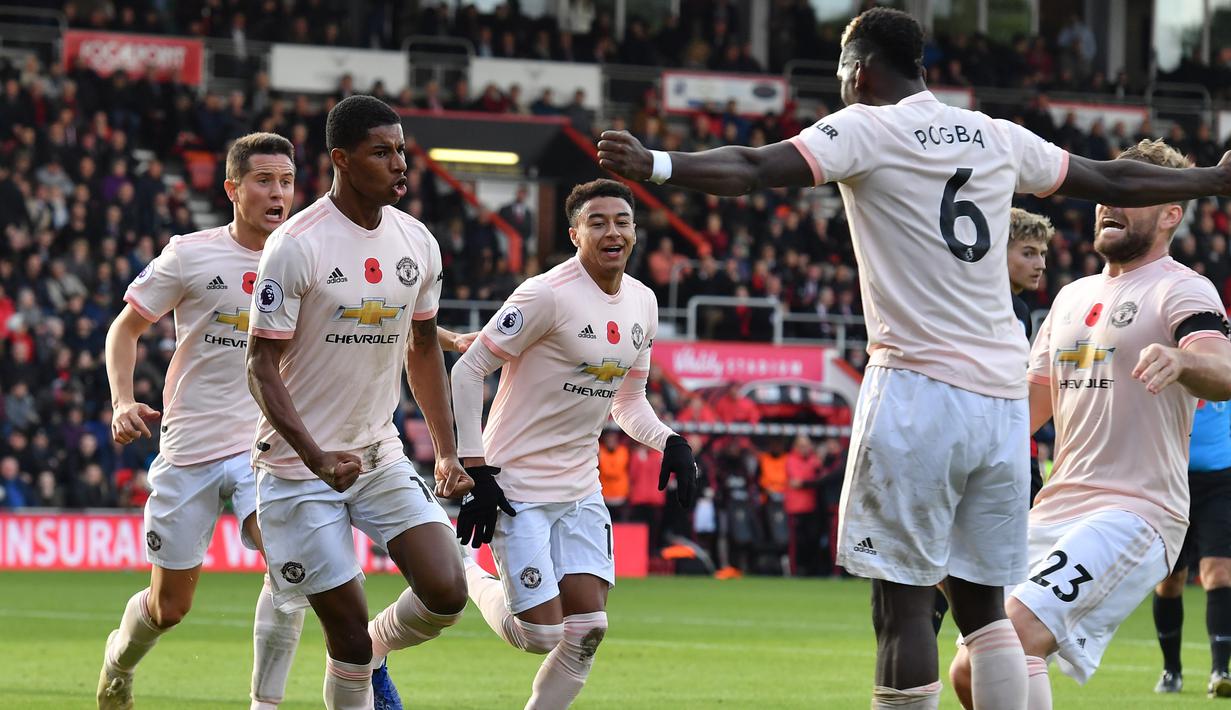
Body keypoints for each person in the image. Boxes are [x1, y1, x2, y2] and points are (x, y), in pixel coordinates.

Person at [597, 8, 1231, 708]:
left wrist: (656, 165)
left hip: (917, 389)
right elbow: (1109, 179)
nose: (840, 85)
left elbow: (752, 167)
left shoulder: (866, 127)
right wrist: (1210, 179)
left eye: (842, 73)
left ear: (860, 69)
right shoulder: (996, 135)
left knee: (901, 609)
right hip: (996, 404)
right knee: (987, 618)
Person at [949, 139, 1231, 709]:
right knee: (970, 667)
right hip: (1055, 507)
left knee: (1015, 635)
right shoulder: (1072, 296)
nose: (1108, 204)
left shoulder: (1182, 287)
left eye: (1128, 195)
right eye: (1106, 192)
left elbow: (1224, 368)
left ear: (1170, 212)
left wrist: (1183, 360)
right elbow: (1027, 409)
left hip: (1135, 510)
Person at [245, 95, 470, 710]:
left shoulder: (418, 242)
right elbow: (260, 366)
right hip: (298, 470)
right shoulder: (296, 245)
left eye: (401, 150)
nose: (400, 163)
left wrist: (447, 451)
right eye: (382, 152)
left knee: (448, 589)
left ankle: (375, 651)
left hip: (379, 454)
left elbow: (422, 348)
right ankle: (347, 666)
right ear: (341, 160)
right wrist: (315, 457)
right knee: (343, 633)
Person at [450, 178, 699, 709]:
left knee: (587, 628)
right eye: (598, 221)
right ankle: (466, 569)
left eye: (623, 221)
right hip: (513, 481)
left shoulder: (644, 303)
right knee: (541, 633)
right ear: (574, 234)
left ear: (635, 232)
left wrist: (670, 440)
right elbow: (469, 371)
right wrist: (476, 469)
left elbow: (627, 403)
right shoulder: (546, 294)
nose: (613, 231)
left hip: (581, 485)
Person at [96, 133, 308, 710]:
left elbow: (367, 318)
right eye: (264, 180)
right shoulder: (190, 253)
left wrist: (436, 335)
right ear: (232, 189)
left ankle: (265, 703)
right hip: (189, 445)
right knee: (169, 609)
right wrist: (121, 401)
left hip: (263, 447)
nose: (278, 192)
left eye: (286, 181)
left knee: (292, 564)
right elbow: (125, 329)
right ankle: (119, 661)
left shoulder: (307, 255)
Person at [935, 206, 1055, 633]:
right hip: (975, 449)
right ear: (995, 251)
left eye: (1042, 253)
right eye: (1028, 252)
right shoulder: (967, 301)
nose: (1040, 263)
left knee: (998, 572)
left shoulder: (1020, 311)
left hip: (1011, 450)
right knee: (954, 568)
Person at [1153, 396, 1231, 697]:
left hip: (1220, 480)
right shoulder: (1163, 356)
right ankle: (1171, 670)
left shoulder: (1222, 357)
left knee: (1220, 572)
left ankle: (1220, 671)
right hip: (1171, 479)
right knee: (1171, 579)